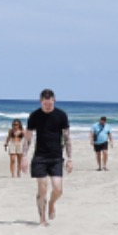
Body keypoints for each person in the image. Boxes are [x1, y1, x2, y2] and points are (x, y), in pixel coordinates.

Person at [25, 89, 71, 225]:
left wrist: (70, 158)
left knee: (58, 189)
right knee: (43, 188)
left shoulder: (61, 115)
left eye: (50, 104)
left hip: (56, 157)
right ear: (41, 102)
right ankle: (42, 219)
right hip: (39, 157)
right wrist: (23, 157)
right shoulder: (34, 116)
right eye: (45, 104)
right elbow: (27, 138)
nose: (47, 106)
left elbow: (67, 138)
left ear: (54, 101)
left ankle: (52, 203)